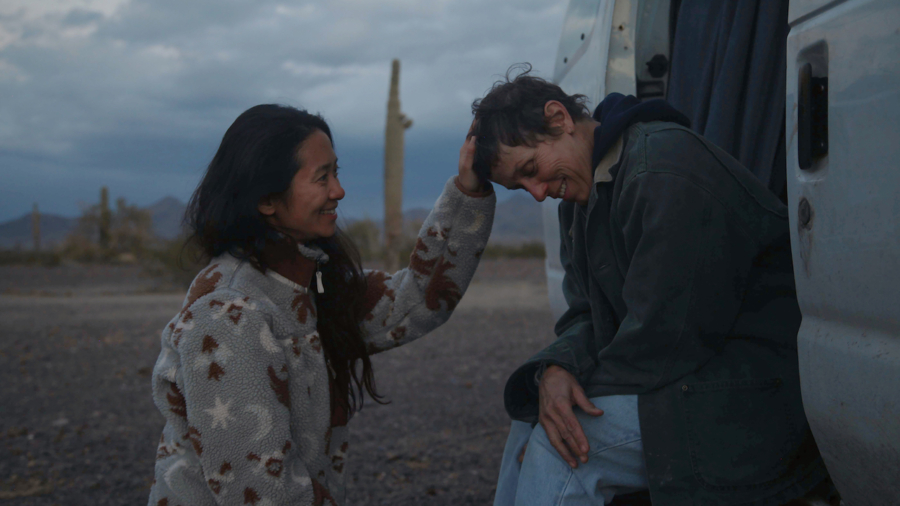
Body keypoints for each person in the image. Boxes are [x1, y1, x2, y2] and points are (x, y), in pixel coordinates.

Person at [471, 69, 834, 505]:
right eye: (520, 185)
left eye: (531, 169)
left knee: (557, 445)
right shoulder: (581, 196)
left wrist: (562, 395)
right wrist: (556, 369)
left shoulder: (664, 168)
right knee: (531, 420)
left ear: (558, 118)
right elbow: (584, 313)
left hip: (752, 393)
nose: (536, 193)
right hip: (685, 378)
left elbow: (667, 338)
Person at [147, 104, 495, 506]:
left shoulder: (306, 283)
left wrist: (468, 192)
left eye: (336, 171)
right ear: (266, 200)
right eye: (321, 177)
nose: (338, 191)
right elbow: (265, 494)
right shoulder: (228, 314)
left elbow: (416, 301)